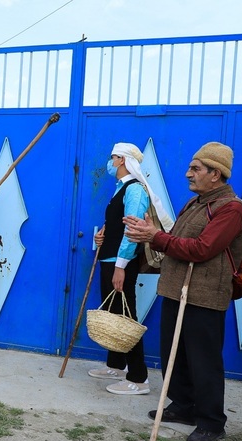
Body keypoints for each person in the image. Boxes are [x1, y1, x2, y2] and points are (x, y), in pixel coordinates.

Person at [123, 142, 242, 441]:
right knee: (174, 353)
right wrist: (150, 232)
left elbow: (202, 249)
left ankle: (211, 423)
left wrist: (156, 237)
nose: (187, 174)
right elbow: (174, 241)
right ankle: (183, 406)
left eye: (196, 169)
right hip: (176, 289)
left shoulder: (230, 209)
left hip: (204, 295)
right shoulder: (195, 204)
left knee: (203, 361)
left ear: (215, 174)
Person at [88, 143, 173, 395]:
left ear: (122, 160)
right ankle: (116, 365)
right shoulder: (120, 188)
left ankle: (138, 378)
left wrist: (121, 266)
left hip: (120, 263)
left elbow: (132, 232)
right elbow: (116, 226)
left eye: (112, 157)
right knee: (114, 315)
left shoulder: (135, 190)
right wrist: (102, 238)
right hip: (109, 259)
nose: (109, 161)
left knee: (126, 317)